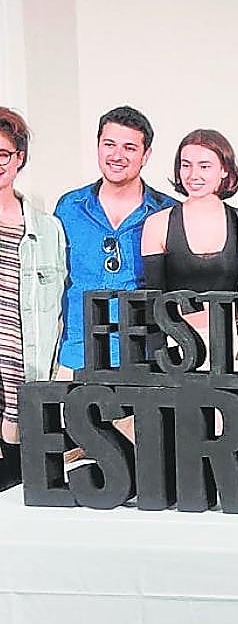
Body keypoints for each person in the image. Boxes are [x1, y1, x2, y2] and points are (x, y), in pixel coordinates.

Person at [55, 106, 177, 373]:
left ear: (146, 156)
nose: (117, 155)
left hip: (145, 361)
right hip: (77, 357)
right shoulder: (69, 207)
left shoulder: (168, 213)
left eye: (130, 148)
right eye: (109, 144)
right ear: (98, 146)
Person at [0, 107, 66, 454]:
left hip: (26, 377)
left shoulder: (46, 228)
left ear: (19, 158)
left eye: (3, 154)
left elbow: (56, 310)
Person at [141, 129, 238, 316]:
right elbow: (153, 303)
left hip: (234, 340)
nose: (193, 175)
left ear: (224, 170)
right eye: (186, 165)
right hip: (174, 340)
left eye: (204, 166)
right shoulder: (157, 224)